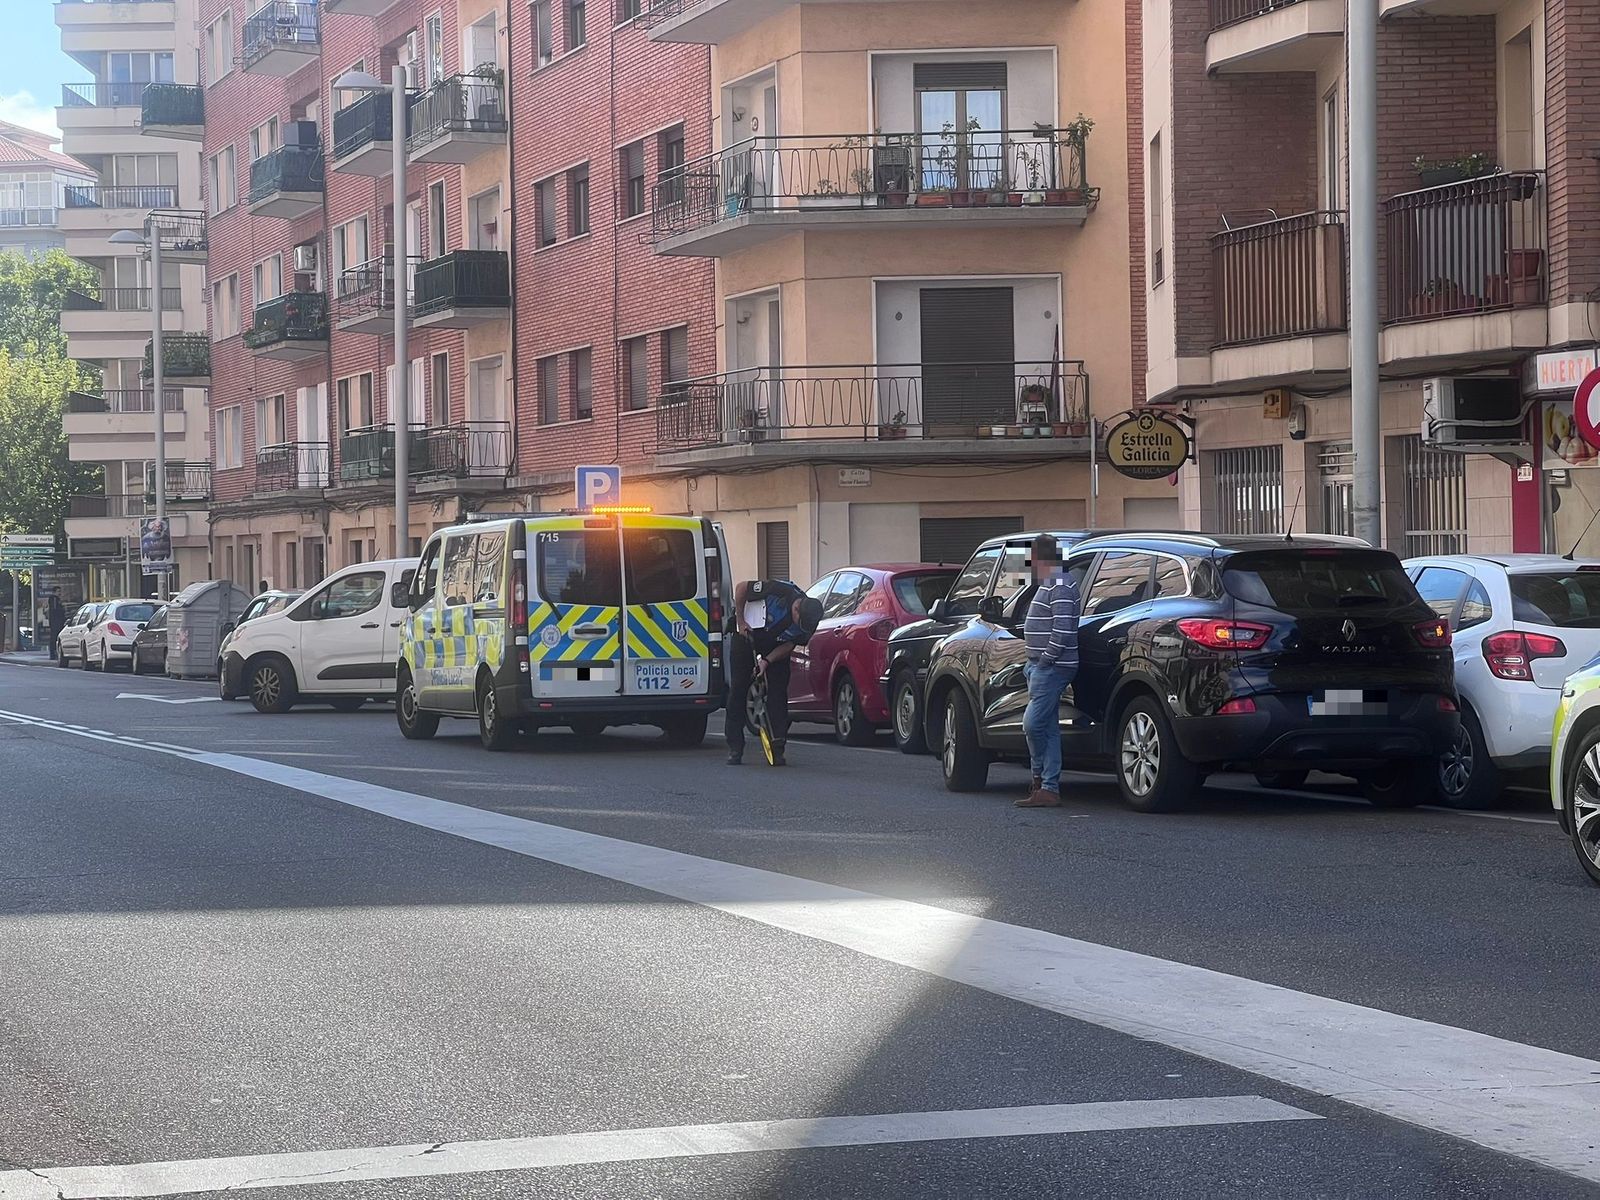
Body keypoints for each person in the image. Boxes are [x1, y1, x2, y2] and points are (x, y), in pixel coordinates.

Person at [726, 578, 824, 767]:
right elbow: (741, 588)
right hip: (746, 635)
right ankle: (735, 747)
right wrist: (740, 620)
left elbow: (790, 643)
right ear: (796, 609)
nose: (800, 627)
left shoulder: (808, 622)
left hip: (776, 646)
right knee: (738, 689)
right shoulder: (780, 590)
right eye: (799, 622)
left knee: (778, 692)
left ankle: (777, 746)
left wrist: (767, 661)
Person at [1017, 535, 1081, 808]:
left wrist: (1045, 660)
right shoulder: (1050, 584)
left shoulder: (1060, 585)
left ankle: (1041, 780)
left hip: (1052, 668)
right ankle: (1047, 787)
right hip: (1041, 666)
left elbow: (1063, 629)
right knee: (1048, 727)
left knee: (1032, 725)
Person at [45, 590, 65, 660]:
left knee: (56, 638)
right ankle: (53, 654)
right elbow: (55, 610)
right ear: (54, 592)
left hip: (56, 622)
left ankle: (55, 653)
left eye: (60, 591)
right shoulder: (53, 599)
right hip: (56, 623)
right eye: (58, 591)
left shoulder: (56, 599)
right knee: (54, 638)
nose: (60, 593)